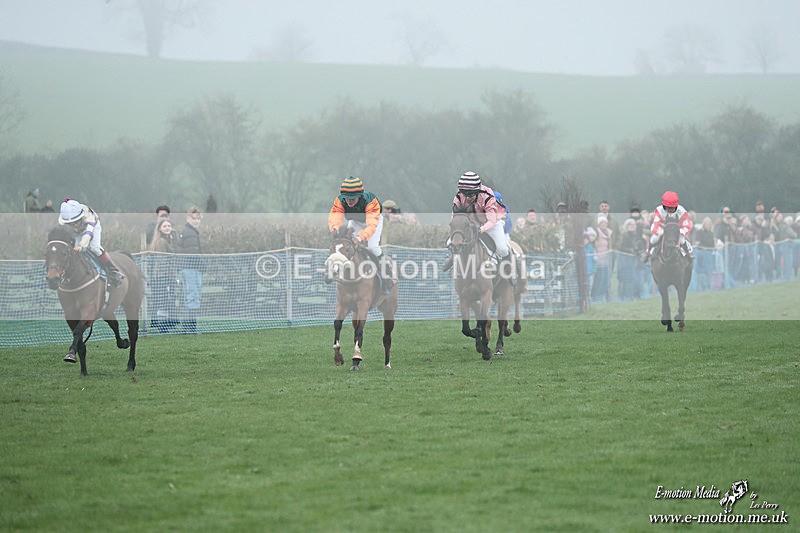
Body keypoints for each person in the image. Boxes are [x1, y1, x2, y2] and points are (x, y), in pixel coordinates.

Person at [442, 171, 516, 285]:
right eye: (465, 195)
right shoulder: (459, 196)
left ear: (477, 191)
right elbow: (455, 216)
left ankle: (510, 270)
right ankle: (452, 258)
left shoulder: (488, 195)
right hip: (472, 223)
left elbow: (491, 220)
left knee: (502, 249)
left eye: (471, 195)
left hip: (492, 223)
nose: (467, 198)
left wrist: (480, 230)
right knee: (450, 242)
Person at [328, 176, 395, 294]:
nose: (349, 201)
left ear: (359, 196)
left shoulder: (370, 201)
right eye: (347, 198)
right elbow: (335, 215)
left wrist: (360, 237)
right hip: (355, 221)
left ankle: (386, 273)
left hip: (374, 221)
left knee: (372, 246)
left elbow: (371, 225)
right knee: (343, 243)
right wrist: (334, 228)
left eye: (352, 199)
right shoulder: (340, 200)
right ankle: (333, 269)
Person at [57, 198, 125, 288]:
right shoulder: (64, 219)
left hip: (91, 228)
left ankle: (113, 270)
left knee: (94, 247)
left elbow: (88, 234)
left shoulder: (88, 216)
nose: (75, 225)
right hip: (77, 233)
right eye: (71, 223)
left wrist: (81, 245)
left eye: (76, 222)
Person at [642, 191, 694, 263]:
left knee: (682, 240)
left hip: (676, 231)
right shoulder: (658, 210)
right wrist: (661, 232)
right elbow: (654, 225)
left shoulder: (682, 211)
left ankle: (688, 255)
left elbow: (687, 226)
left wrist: (680, 232)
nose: (670, 209)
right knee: (654, 238)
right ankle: (647, 254)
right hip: (662, 229)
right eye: (668, 207)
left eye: (672, 208)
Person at [148, 218, 178, 333]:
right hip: (162, 276)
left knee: (167, 300)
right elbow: (162, 261)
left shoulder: (169, 240)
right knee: (163, 300)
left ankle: (166, 324)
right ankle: (162, 326)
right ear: (160, 229)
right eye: (165, 226)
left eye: (169, 226)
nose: (167, 228)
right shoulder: (161, 241)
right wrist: (169, 276)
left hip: (168, 276)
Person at [176, 207, 203, 334]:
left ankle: (187, 328)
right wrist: (202, 265)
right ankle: (191, 328)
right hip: (191, 269)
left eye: (198, 218)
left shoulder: (188, 231)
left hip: (187, 268)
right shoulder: (190, 232)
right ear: (188, 218)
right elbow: (193, 253)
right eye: (194, 218)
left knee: (189, 298)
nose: (196, 221)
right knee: (193, 298)